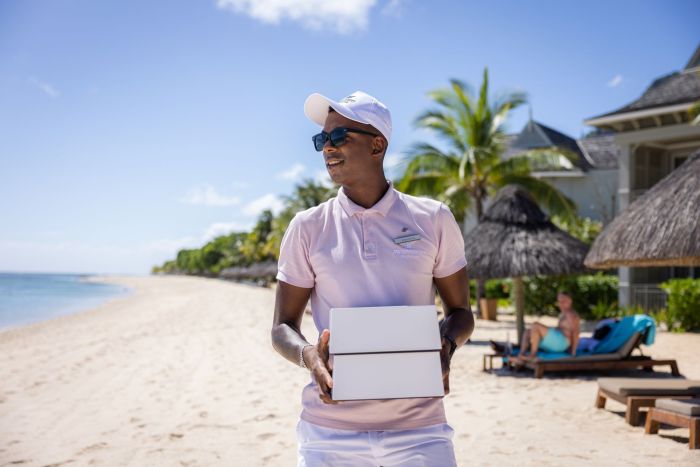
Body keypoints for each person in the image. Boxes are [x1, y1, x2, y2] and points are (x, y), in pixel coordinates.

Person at [271, 90, 474, 466]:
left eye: (338, 136)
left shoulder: (433, 219)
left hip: (420, 430)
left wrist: (446, 346)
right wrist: (310, 357)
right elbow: (282, 327)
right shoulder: (307, 227)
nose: (327, 148)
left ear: (377, 144)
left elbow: (461, 312)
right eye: (322, 139)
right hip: (328, 434)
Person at [517, 290, 580, 360]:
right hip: (557, 340)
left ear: (570, 301)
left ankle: (533, 355)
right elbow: (561, 329)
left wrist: (573, 351)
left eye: (564, 301)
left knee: (536, 325)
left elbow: (576, 332)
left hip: (561, 343)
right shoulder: (563, 314)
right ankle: (521, 355)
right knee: (528, 332)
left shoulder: (571, 314)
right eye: (559, 301)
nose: (561, 304)